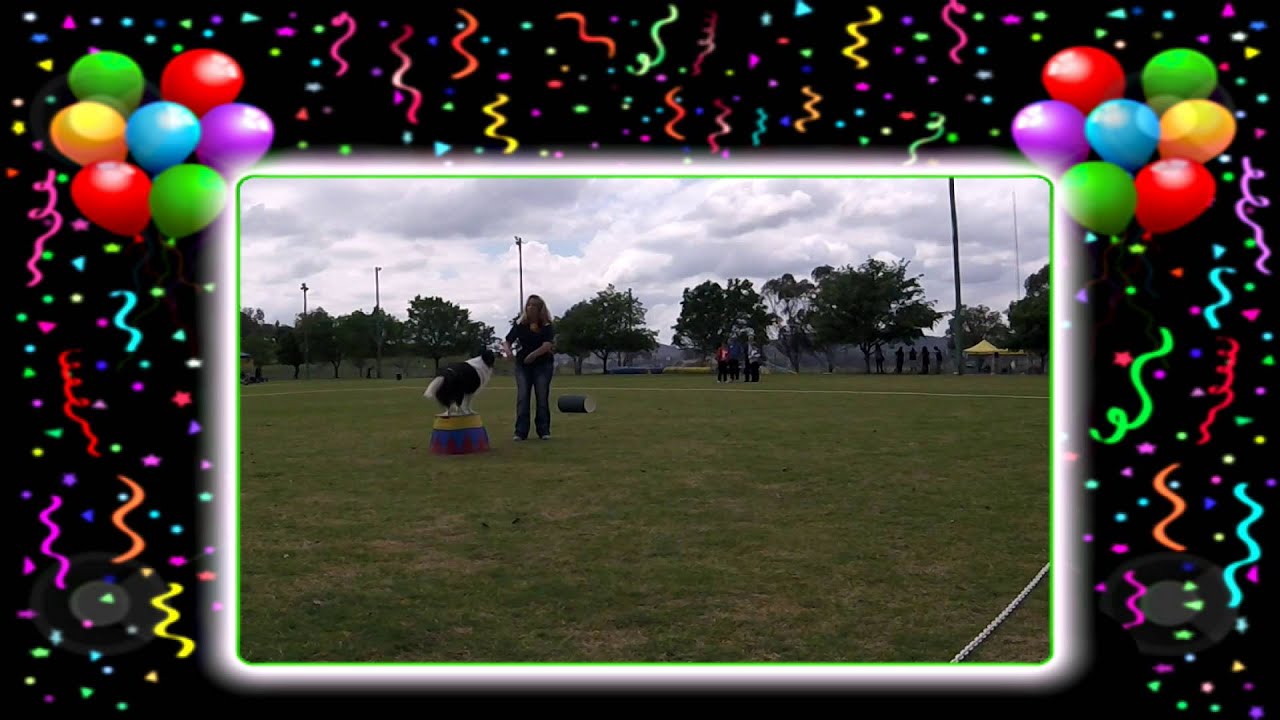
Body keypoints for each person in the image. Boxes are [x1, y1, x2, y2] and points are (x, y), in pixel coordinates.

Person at [502, 295, 556, 441]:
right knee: (523, 397)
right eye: (529, 305)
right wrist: (508, 351)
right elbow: (508, 340)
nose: (530, 308)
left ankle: (544, 430)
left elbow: (547, 345)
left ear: (540, 309)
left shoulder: (546, 326)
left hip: (543, 365)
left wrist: (534, 355)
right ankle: (520, 432)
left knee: (542, 397)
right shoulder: (521, 324)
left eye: (534, 306)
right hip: (523, 365)